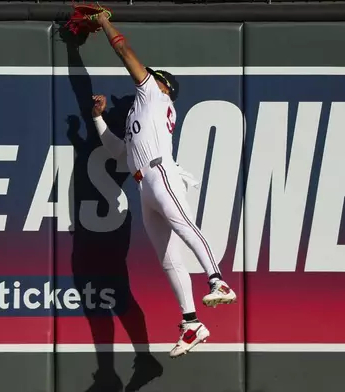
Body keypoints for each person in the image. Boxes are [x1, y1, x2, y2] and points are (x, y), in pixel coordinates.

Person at [90, 13, 237, 358]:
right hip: (144, 184)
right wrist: (98, 118)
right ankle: (192, 324)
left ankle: (218, 280)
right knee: (169, 259)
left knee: (186, 228)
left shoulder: (156, 97)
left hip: (161, 174)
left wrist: (104, 22)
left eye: (153, 76)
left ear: (163, 85)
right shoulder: (141, 114)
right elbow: (118, 152)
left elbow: (125, 52)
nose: (145, 76)